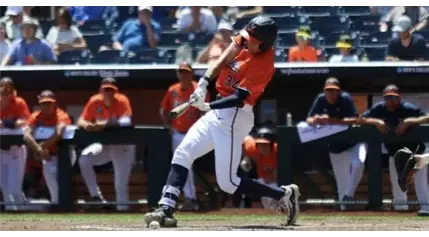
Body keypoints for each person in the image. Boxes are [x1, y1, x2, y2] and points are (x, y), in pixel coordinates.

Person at [144, 16, 300, 228]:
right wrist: (202, 83)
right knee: (182, 153)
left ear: (264, 43)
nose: (247, 40)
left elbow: (238, 98)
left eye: (253, 38)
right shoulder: (245, 38)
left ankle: (284, 194)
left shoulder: (264, 64)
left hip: (235, 115)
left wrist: (207, 106)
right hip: (218, 111)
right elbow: (223, 60)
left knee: (228, 183)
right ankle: (165, 208)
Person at [358, 85, 429, 212]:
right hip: (395, 154)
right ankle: (400, 213)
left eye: (393, 97)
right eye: (387, 97)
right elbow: (361, 119)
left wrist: (409, 122)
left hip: (415, 153)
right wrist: (376, 122)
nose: (390, 100)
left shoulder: (407, 108)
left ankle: (426, 210)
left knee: (421, 185)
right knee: (398, 186)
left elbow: (426, 117)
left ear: (399, 97)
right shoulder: (380, 109)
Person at [306, 78, 365, 210]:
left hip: (352, 143)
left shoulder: (345, 99)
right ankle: (344, 212)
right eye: (328, 91)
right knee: (341, 184)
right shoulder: (321, 99)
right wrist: (315, 120)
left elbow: (354, 119)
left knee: (358, 164)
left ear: (339, 91)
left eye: (334, 91)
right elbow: (309, 119)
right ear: (324, 91)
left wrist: (332, 120)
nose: (331, 94)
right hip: (335, 147)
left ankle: (349, 196)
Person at [77, 78, 135, 211]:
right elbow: (81, 119)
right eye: (105, 90)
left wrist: (104, 124)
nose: (108, 93)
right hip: (105, 145)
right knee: (84, 159)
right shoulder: (95, 100)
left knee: (120, 185)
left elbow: (127, 120)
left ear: (115, 91)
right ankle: (96, 197)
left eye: (111, 90)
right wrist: (87, 125)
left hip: (123, 146)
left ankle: (123, 213)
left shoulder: (122, 100)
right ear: (100, 90)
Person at [160, 62, 209, 211]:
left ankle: (191, 198)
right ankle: (190, 198)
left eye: (186, 72)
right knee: (182, 164)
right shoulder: (173, 90)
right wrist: (168, 126)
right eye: (181, 72)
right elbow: (163, 109)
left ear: (191, 74)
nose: (183, 75)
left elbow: (205, 111)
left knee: (185, 164)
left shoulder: (198, 89)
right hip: (177, 133)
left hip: (194, 133)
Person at [23, 90, 74, 205]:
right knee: (52, 185)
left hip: (64, 154)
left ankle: (66, 206)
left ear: (54, 104)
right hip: (48, 156)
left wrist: (42, 147)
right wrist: (39, 149)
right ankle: (57, 206)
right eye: (44, 103)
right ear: (40, 104)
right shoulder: (36, 116)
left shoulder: (61, 115)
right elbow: (26, 135)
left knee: (62, 181)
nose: (46, 106)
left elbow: (59, 133)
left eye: (49, 103)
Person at [0, 77, 30, 211]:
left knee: (14, 189)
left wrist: (6, 123)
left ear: (13, 91)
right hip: (1, 151)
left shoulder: (19, 102)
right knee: (5, 188)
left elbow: (24, 121)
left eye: (9, 88)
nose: (6, 91)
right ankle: (12, 221)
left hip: (15, 151)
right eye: (3, 88)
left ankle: (24, 211)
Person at [242, 127, 279, 210]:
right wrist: (246, 157)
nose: (262, 147)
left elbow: (273, 178)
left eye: (265, 144)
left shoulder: (278, 151)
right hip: (263, 179)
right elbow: (244, 138)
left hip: (280, 181)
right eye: (260, 144)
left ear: (272, 144)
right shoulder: (252, 148)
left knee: (272, 188)